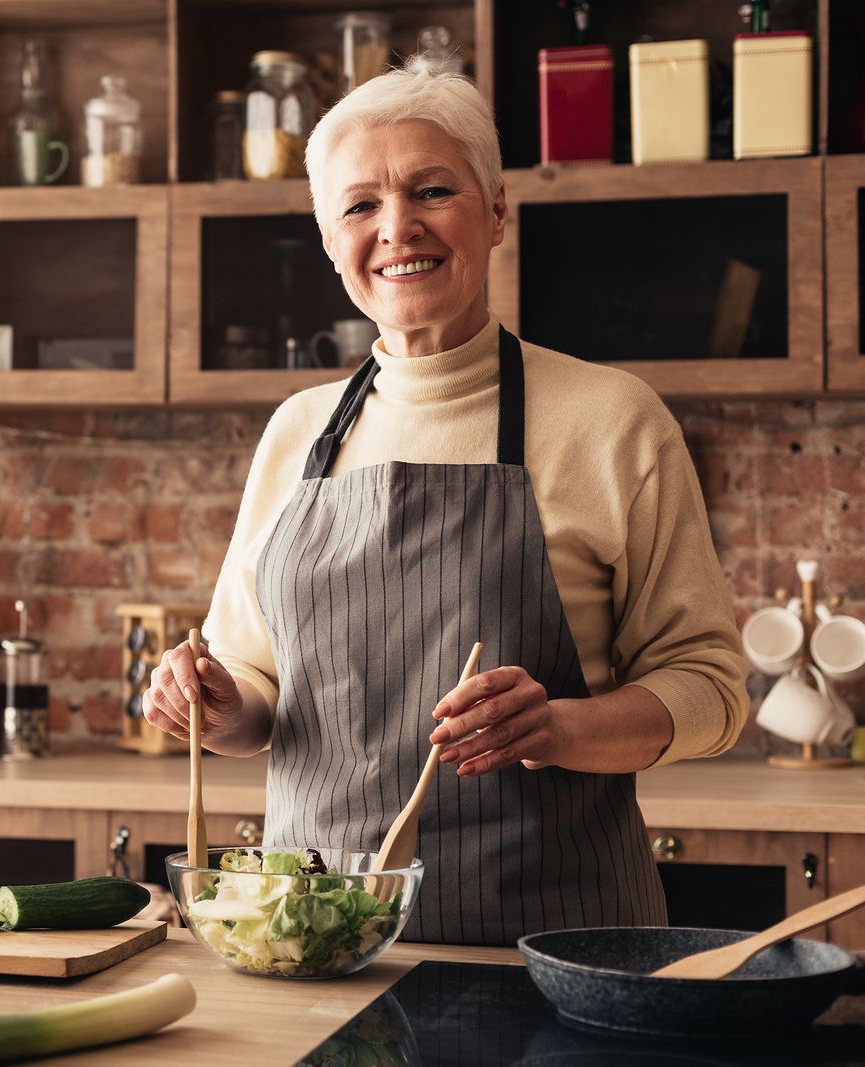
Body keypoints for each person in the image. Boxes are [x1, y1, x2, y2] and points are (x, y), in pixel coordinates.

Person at [142, 67, 749, 946]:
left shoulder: (613, 420)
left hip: (555, 945)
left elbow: (711, 688)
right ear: (327, 237)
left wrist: (558, 727)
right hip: (312, 944)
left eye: (432, 190)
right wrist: (212, 701)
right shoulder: (297, 432)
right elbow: (260, 695)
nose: (398, 229)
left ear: (496, 210)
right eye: (359, 206)